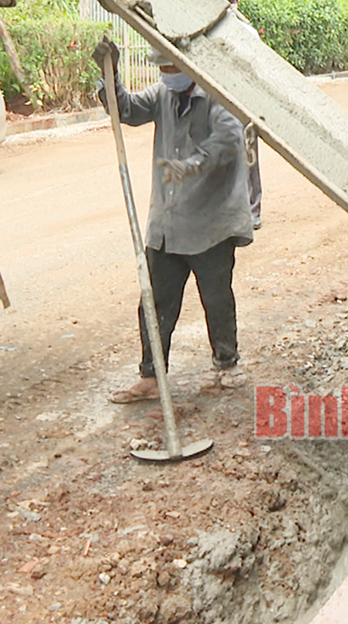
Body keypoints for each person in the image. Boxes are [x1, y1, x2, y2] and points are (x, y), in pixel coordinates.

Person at [93, 38, 254, 403]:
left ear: (189, 67)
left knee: (215, 297)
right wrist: (110, 76)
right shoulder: (163, 94)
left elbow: (230, 140)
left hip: (211, 223)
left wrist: (190, 166)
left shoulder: (217, 97)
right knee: (155, 301)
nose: (168, 76)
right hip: (168, 225)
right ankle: (151, 375)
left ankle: (226, 363)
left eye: (172, 69)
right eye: (162, 70)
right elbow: (128, 111)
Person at [213, 0, 263, 230]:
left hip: (241, 104)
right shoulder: (210, 32)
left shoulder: (246, 33)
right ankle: (237, 211)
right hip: (220, 102)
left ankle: (250, 211)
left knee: (247, 156)